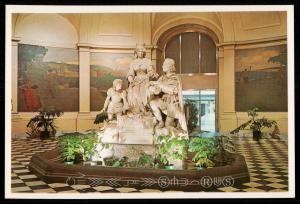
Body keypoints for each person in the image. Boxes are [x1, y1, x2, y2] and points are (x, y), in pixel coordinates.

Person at [149, 58, 187, 131]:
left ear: (170, 67)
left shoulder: (175, 77)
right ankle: (160, 122)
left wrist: (159, 85)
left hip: (172, 104)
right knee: (152, 102)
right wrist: (152, 88)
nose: (162, 66)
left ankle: (179, 134)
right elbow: (157, 90)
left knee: (168, 125)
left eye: (164, 65)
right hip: (164, 102)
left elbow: (172, 90)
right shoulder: (162, 78)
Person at [127, 45, 158, 113]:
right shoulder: (133, 62)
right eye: (139, 51)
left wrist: (148, 75)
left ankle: (145, 110)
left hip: (145, 80)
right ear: (136, 52)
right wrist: (131, 80)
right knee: (135, 95)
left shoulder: (147, 61)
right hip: (136, 81)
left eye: (142, 51)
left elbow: (150, 71)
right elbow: (130, 73)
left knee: (145, 94)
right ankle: (137, 110)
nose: (141, 53)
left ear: (144, 53)